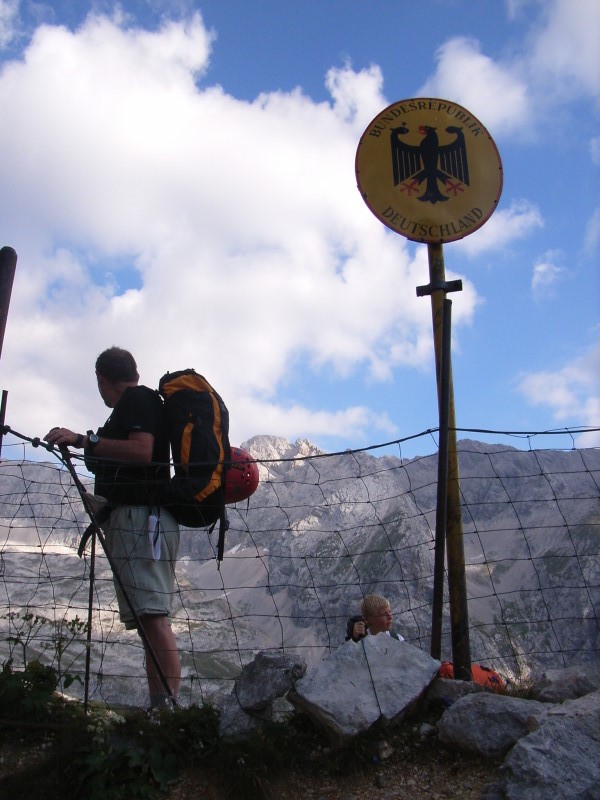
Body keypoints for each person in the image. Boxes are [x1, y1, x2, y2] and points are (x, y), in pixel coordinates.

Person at [44, 346, 180, 708]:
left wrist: (85, 440)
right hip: (139, 519)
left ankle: (168, 714)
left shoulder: (137, 400)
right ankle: (160, 710)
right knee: (148, 619)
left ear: (101, 379)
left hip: (141, 520)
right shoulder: (142, 402)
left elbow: (142, 451)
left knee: (153, 618)